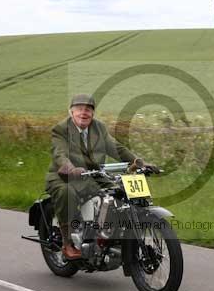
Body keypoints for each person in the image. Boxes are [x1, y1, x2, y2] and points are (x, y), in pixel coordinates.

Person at [45, 94, 158, 259]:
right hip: (65, 176)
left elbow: (116, 148)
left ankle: (111, 234)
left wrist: (139, 162)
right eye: (79, 109)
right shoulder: (61, 129)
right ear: (71, 112)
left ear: (93, 113)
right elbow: (59, 153)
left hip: (94, 175)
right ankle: (67, 243)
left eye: (88, 109)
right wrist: (69, 168)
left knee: (120, 191)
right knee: (66, 193)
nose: (84, 113)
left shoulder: (99, 128)